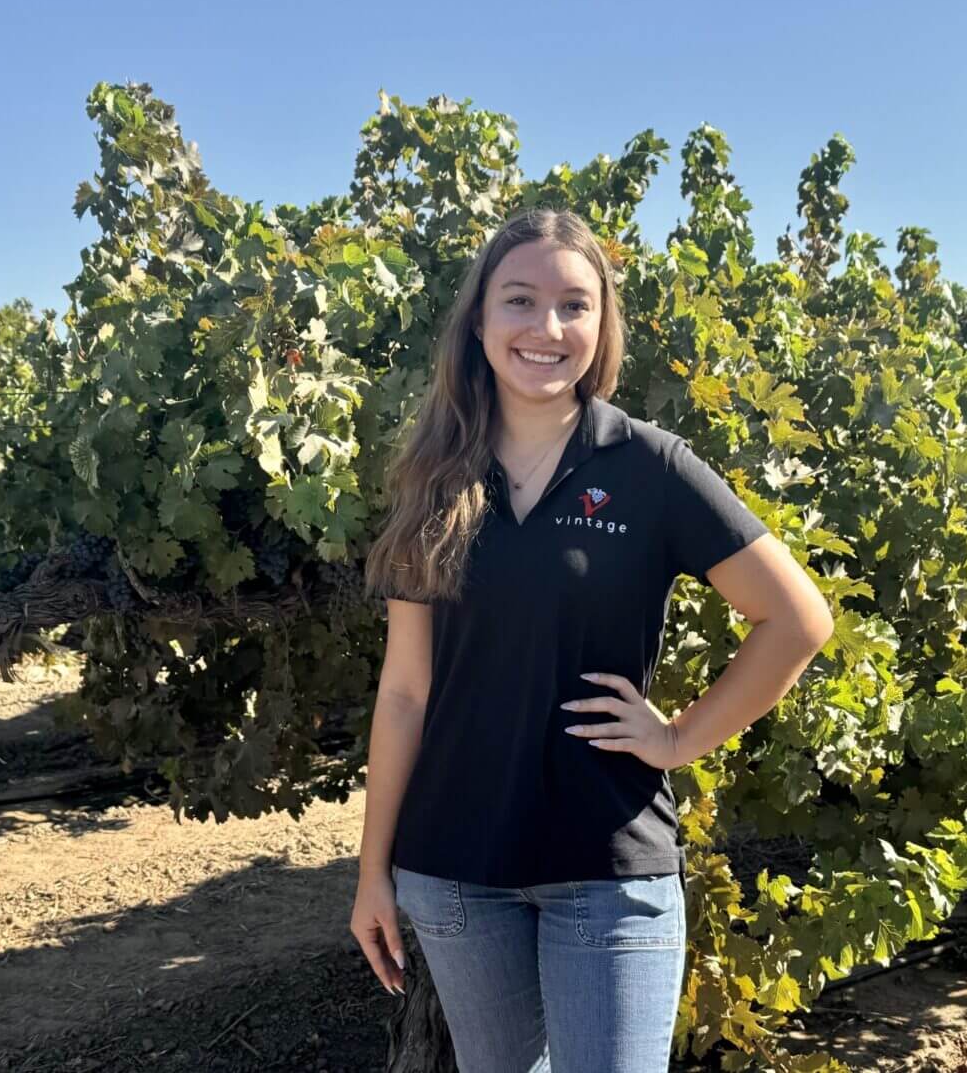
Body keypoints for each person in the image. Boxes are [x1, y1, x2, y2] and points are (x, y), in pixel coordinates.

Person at [352, 207, 834, 1072]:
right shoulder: (433, 479)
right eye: (519, 300)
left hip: (609, 868)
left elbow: (798, 620)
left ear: (602, 326)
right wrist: (371, 872)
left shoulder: (650, 466)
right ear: (479, 321)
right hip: (455, 873)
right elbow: (405, 694)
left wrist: (679, 738)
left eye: (574, 305)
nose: (547, 327)